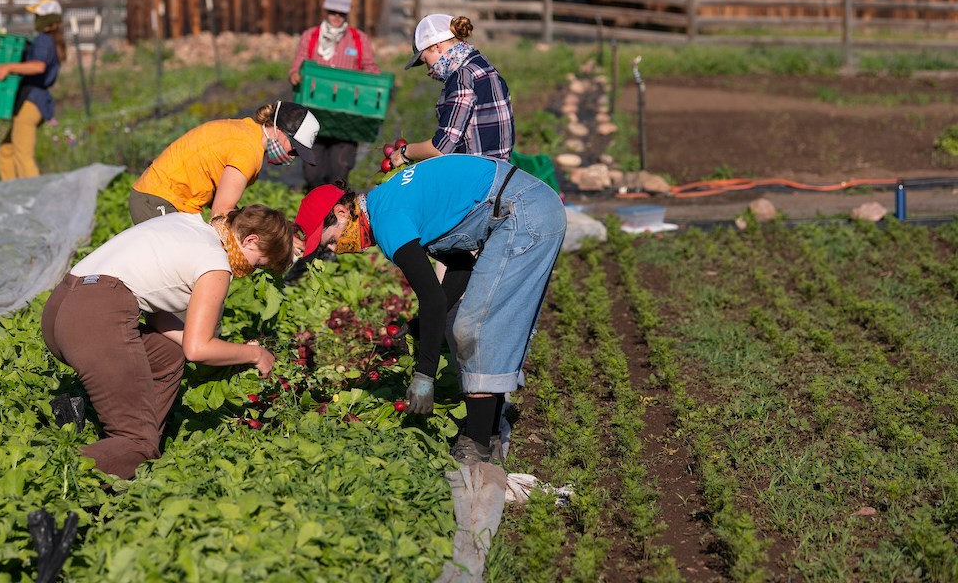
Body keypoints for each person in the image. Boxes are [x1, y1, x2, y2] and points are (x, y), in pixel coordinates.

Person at [293, 154, 566, 464]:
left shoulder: (386, 219)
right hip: (523, 206)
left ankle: (475, 446)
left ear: (342, 212)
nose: (335, 249)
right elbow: (460, 263)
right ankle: (486, 431)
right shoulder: (385, 200)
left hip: (524, 213)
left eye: (330, 241)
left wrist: (425, 376)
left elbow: (433, 299)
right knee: (463, 324)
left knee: (473, 328)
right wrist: (422, 324)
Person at [41, 204, 296, 479]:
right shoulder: (215, 264)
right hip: (95, 318)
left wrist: (221, 349)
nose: (251, 271)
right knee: (137, 442)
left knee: (167, 354)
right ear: (250, 240)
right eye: (258, 263)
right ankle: (57, 479)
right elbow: (198, 349)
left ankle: (136, 445)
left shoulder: (186, 224)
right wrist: (255, 355)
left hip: (60, 310)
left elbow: (163, 325)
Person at [129, 101, 320, 225]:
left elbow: (222, 200)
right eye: (294, 148)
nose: (292, 156)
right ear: (279, 130)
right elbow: (220, 213)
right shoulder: (247, 151)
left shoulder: (248, 130)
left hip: (165, 198)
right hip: (158, 199)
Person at [390, 14, 513, 171]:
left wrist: (405, 153)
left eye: (424, 59)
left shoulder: (462, 77)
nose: (427, 69)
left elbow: (443, 146)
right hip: (499, 172)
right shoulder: (483, 65)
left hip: (475, 177)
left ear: (437, 46)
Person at [288, 0, 381, 189]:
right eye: (332, 12)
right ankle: (315, 215)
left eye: (341, 12)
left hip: (346, 116)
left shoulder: (359, 40)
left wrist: (364, 81)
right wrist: (296, 76)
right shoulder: (310, 37)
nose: (337, 16)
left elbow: (371, 69)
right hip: (313, 115)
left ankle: (335, 215)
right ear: (325, 10)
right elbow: (296, 68)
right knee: (313, 174)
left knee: (339, 173)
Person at [0, 0, 65, 180]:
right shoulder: (50, 41)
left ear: (46, 20)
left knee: (23, 156)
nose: (34, 21)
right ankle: (10, 191)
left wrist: (8, 67)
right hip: (34, 101)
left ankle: (33, 198)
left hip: (31, 103)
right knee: (6, 150)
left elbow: (38, 66)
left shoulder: (43, 40)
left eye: (37, 16)